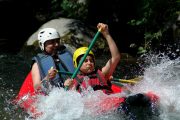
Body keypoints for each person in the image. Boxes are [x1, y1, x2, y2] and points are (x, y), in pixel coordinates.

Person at [66, 23, 121, 94]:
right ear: (76, 64)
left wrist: (106, 35)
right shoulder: (72, 81)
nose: (89, 63)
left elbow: (116, 57)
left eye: (91, 60)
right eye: (85, 61)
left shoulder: (103, 73)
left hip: (109, 101)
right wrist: (68, 86)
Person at [31, 27, 75, 95]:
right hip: (55, 96)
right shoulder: (36, 64)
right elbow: (36, 88)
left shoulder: (67, 54)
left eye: (57, 41)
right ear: (42, 44)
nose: (56, 44)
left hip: (73, 91)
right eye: (52, 42)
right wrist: (48, 77)